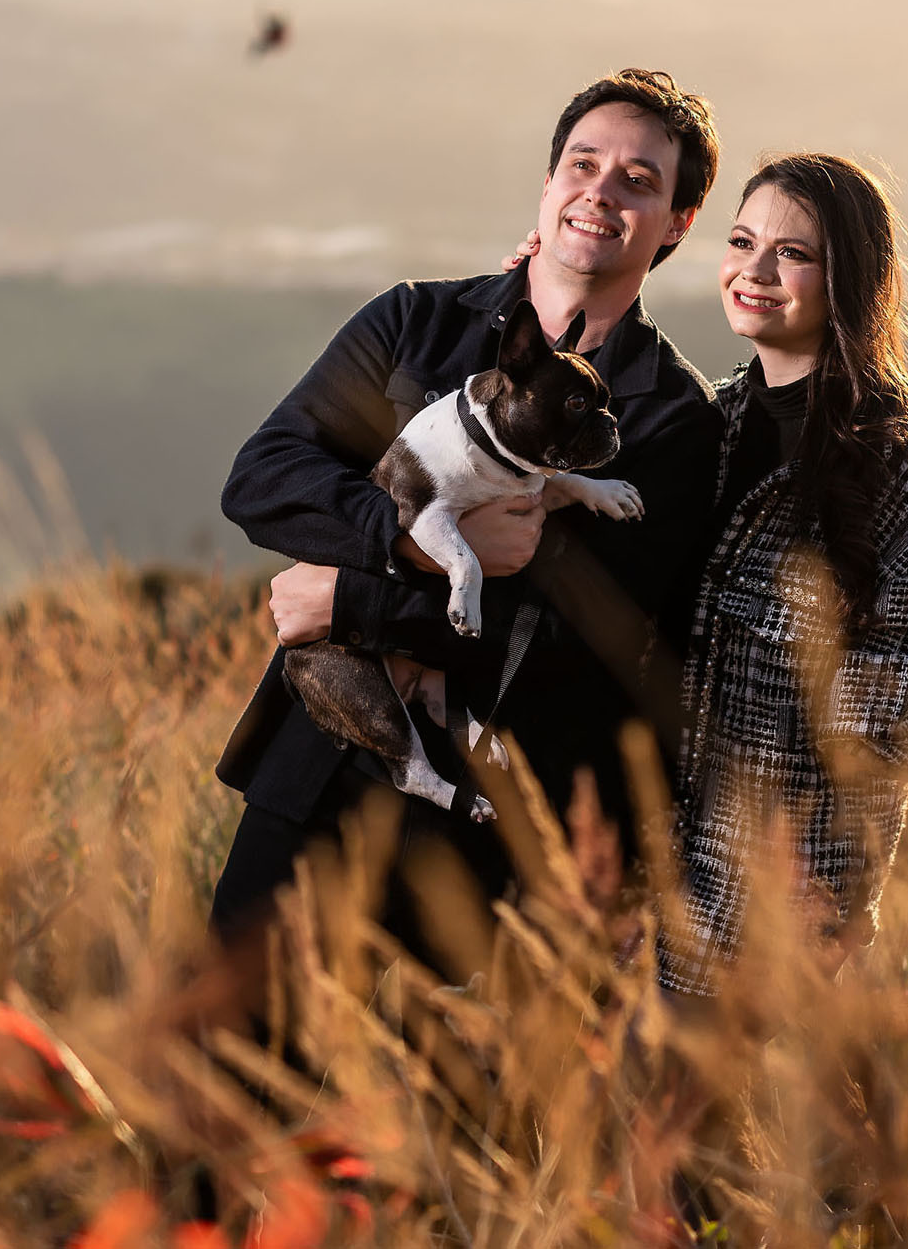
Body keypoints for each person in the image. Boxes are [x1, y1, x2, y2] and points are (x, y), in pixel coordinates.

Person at [210, 69, 722, 959]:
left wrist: (348, 601)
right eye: (582, 163)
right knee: (216, 1080)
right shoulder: (415, 321)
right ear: (549, 182)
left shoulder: (673, 418)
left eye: (638, 181)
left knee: (428, 1099)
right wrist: (409, 542)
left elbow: (589, 637)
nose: (599, 192)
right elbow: (263, 479)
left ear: (677, 223)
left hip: (490, 835)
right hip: (314, 775)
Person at [660, 154, 908, 996]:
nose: (757, 270)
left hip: (766, 902)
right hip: (643, 879)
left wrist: (831, 909)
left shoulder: (893, 483)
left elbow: (884, 743)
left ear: (849, 278)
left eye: (795, 253)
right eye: (742, 241)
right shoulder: (708, 427)